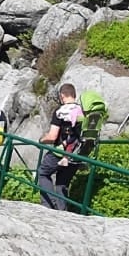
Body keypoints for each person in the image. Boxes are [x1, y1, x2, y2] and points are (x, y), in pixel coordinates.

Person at [37, 83, 85, 211]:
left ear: (62, 95)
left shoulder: (60, 112)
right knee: (62, 183)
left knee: (43, 173)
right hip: (75, 153)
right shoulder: (82, 111)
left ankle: (48, 206)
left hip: (60, 152)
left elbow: (52, 136)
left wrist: (42, 140)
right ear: (74, 95)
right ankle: (62, 212)